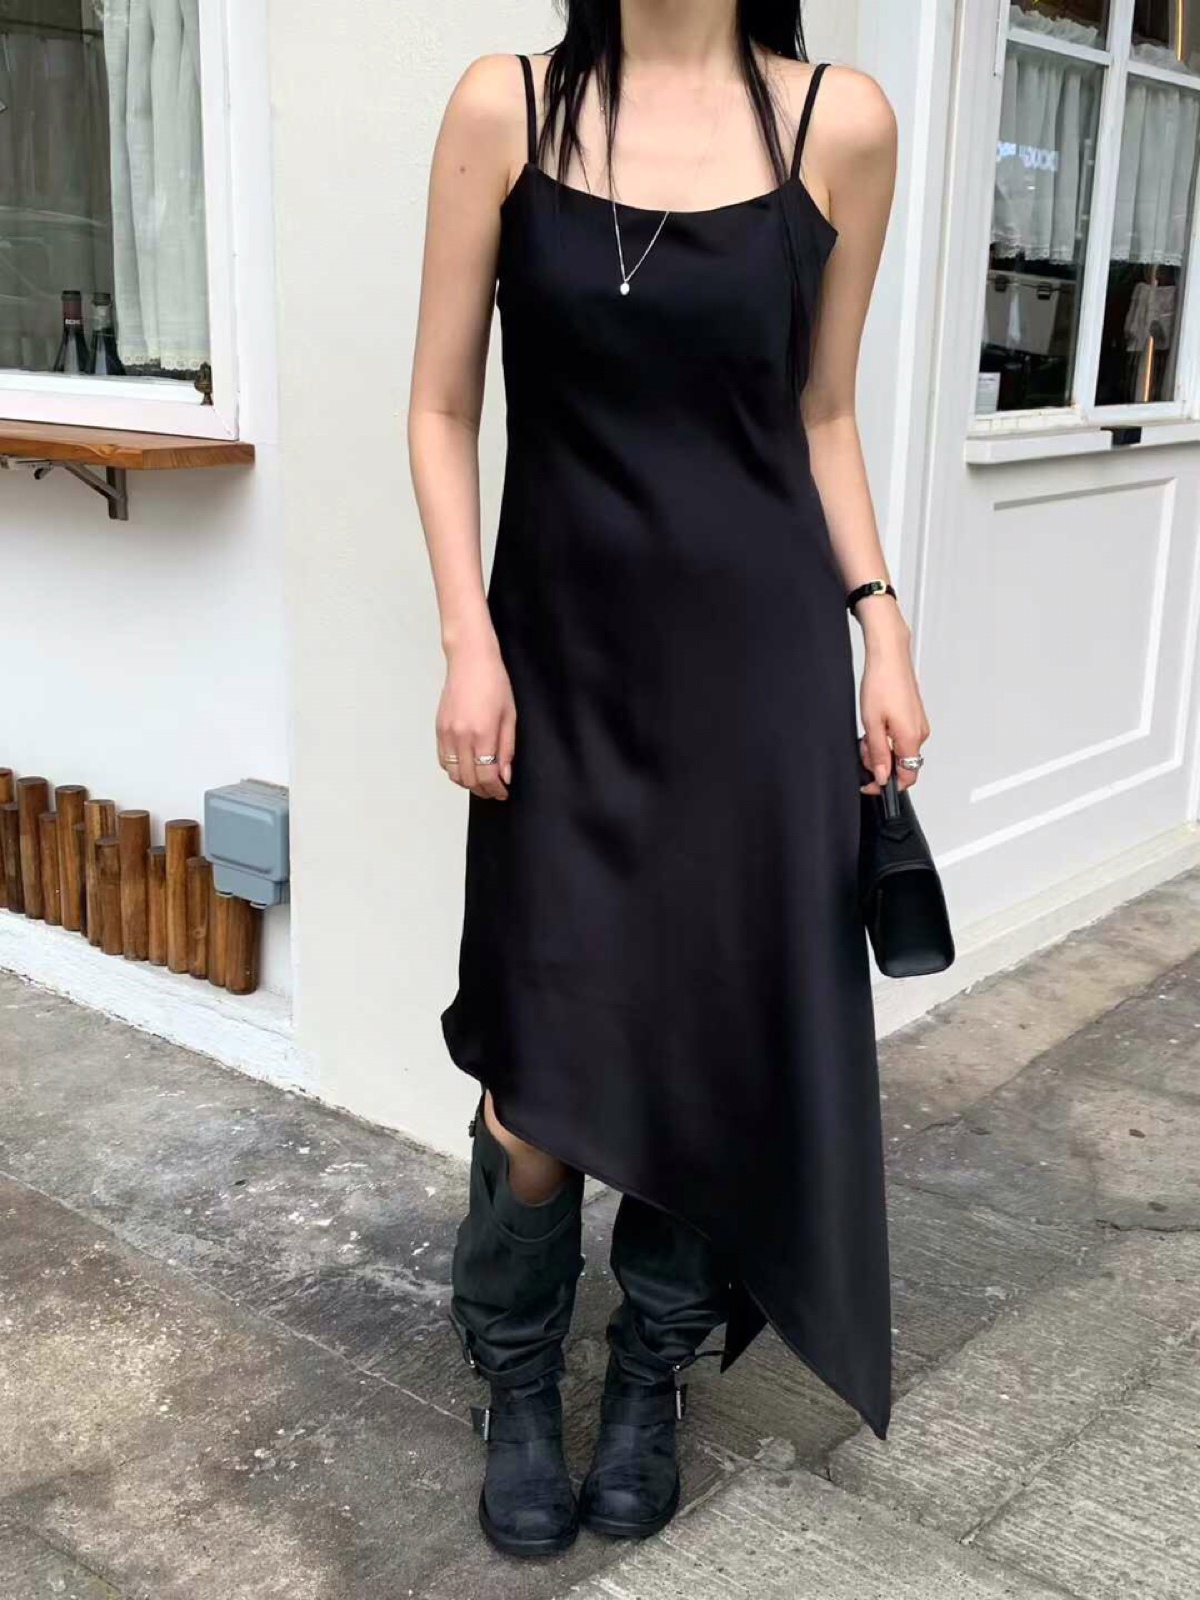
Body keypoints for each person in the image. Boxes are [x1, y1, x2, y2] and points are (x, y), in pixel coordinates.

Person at [409, 0, 928, 1560]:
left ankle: (649, 1376)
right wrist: (469, 639)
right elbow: (441, 407)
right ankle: (516, 1377)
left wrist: (883, 628)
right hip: (559, 666)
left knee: (710, 1035)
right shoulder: (504, 107)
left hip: (759, 672)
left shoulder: (841, 123)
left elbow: (822, 415)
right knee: (538, 1065)